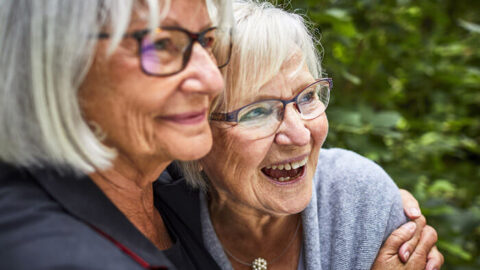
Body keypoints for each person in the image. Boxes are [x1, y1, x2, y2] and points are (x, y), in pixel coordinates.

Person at [175, 1, 443, 269]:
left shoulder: (362, 202)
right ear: (194, 137)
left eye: (307, 96)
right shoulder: (158, 218)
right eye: (257, 112)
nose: (300, 135)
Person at [0, 0, 232, 269]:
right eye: (160, 44)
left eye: (206, 41)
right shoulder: (54, 254)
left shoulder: (175, 188)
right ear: (54, 62)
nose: (213, 80)